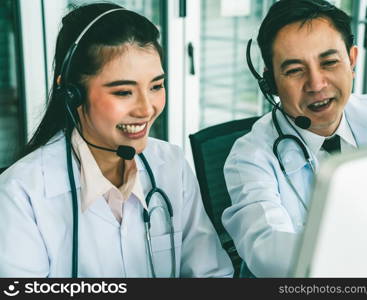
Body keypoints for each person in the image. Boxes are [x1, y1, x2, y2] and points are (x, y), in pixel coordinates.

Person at [0, 3, 233, 278]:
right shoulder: (21, 193)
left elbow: (210, 275)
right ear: (72, 94)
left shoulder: (171, 165)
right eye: (124, 92)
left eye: (156, 86)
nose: (147, 109)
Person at [222, 0, 367, 277]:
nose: (316, 84)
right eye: (295, 70)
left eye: (329, 62)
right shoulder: (249, 158)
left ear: (352, 61)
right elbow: (269, 255)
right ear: (271, 82)